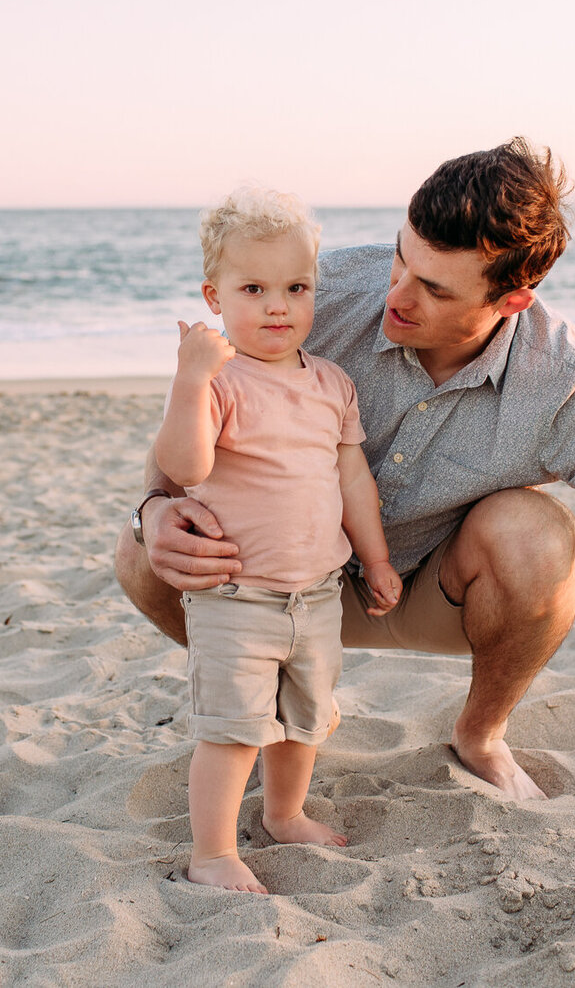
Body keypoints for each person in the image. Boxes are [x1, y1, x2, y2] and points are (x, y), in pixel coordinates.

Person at [117, 138, 575, 803]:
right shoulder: (313, 292)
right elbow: (200, 410)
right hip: (277, 572)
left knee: (537, 536)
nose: (397, 294)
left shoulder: (562, 379)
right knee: (140, 553)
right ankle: (260, 698)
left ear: (512, 302)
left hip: (431, 591)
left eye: (434, 288)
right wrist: (153, 506)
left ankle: (479, 735)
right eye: (400, 257)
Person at [157, 186, 402, 894]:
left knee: (306, 721)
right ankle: (211, 851)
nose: (278, 306)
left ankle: (284, 814)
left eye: (296, 287)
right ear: (215, 296)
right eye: (254, 288)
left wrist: (377, 559)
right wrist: (190, 375)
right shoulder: (219, 380)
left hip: (318, 592)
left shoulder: (331, 382)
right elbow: (186, 465)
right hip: (236, 595)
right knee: (233, 729)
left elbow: (352, 479)